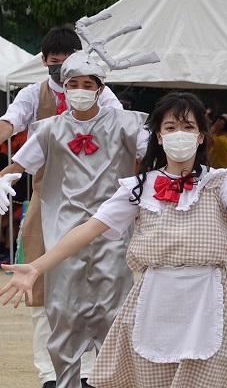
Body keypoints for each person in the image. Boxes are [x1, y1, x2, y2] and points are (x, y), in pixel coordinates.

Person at [0, 92, 227, 388]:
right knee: (151, 374)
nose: (180, 134)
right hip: (155, 293)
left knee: (204, 374)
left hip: (207, 293)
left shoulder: (222, 183)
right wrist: (36, 267)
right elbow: (88, 229)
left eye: (188, 127)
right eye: (170, 127)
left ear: (202, 136)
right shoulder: (139, 187)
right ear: (159, 138)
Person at [0, 51, 147, 388]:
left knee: (114, 309)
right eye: (74, 84)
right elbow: (20, 165)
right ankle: (64, 382)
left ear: (100, 89)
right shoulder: (50, 129)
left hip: (111, 232)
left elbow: (158, 157)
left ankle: (111, 381)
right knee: (64, 310)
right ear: (65, 89)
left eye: (88, 85)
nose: (81, 90)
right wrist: (2, 180)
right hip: (63, 233)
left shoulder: (126, 123)